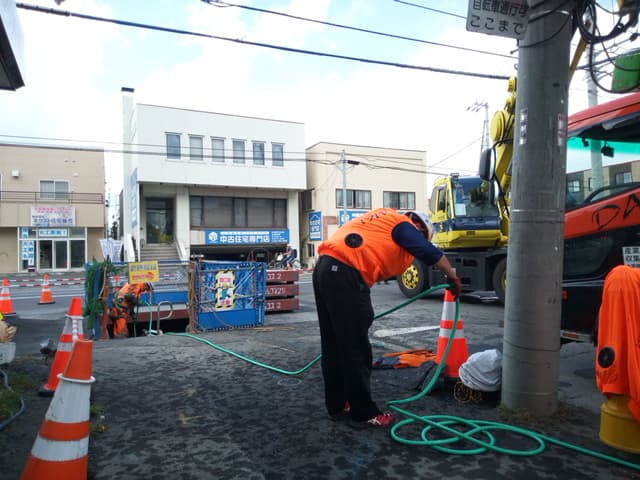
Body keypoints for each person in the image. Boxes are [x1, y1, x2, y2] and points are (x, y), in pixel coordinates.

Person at [312, 208, 462, 428]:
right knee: (356, 347)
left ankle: (337, 405)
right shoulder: (403, 225)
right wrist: (452, 277)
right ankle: (364, 413)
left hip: (324, 267)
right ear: (419, 228)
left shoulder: (382, 219)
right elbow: (428, 251)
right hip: (346, 273)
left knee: (333, 344)